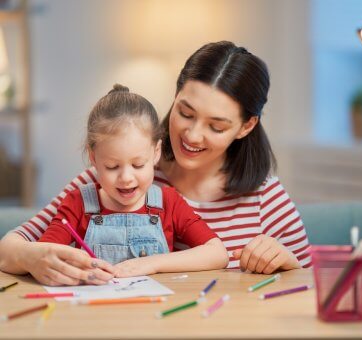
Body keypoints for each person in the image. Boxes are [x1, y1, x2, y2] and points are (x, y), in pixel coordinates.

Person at [0, 41, 311, 286]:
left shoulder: (265, 198)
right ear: (174, 96)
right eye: (186, 113)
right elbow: (11, 248)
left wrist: (287, 262)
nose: (192, 134)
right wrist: (32, 258)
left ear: (246, 126)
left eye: (216, 126)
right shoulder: (113, 178)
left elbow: (307, 288)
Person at [37, 84, 228, 279]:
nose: (126, 178)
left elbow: (218, 253)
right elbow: (42, 256)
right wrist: (73, 264)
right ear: (93, 158)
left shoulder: (168, 202)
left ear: (155, 153)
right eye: (112, 166)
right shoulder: (78, 203)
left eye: (138, 165)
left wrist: (151, 264)